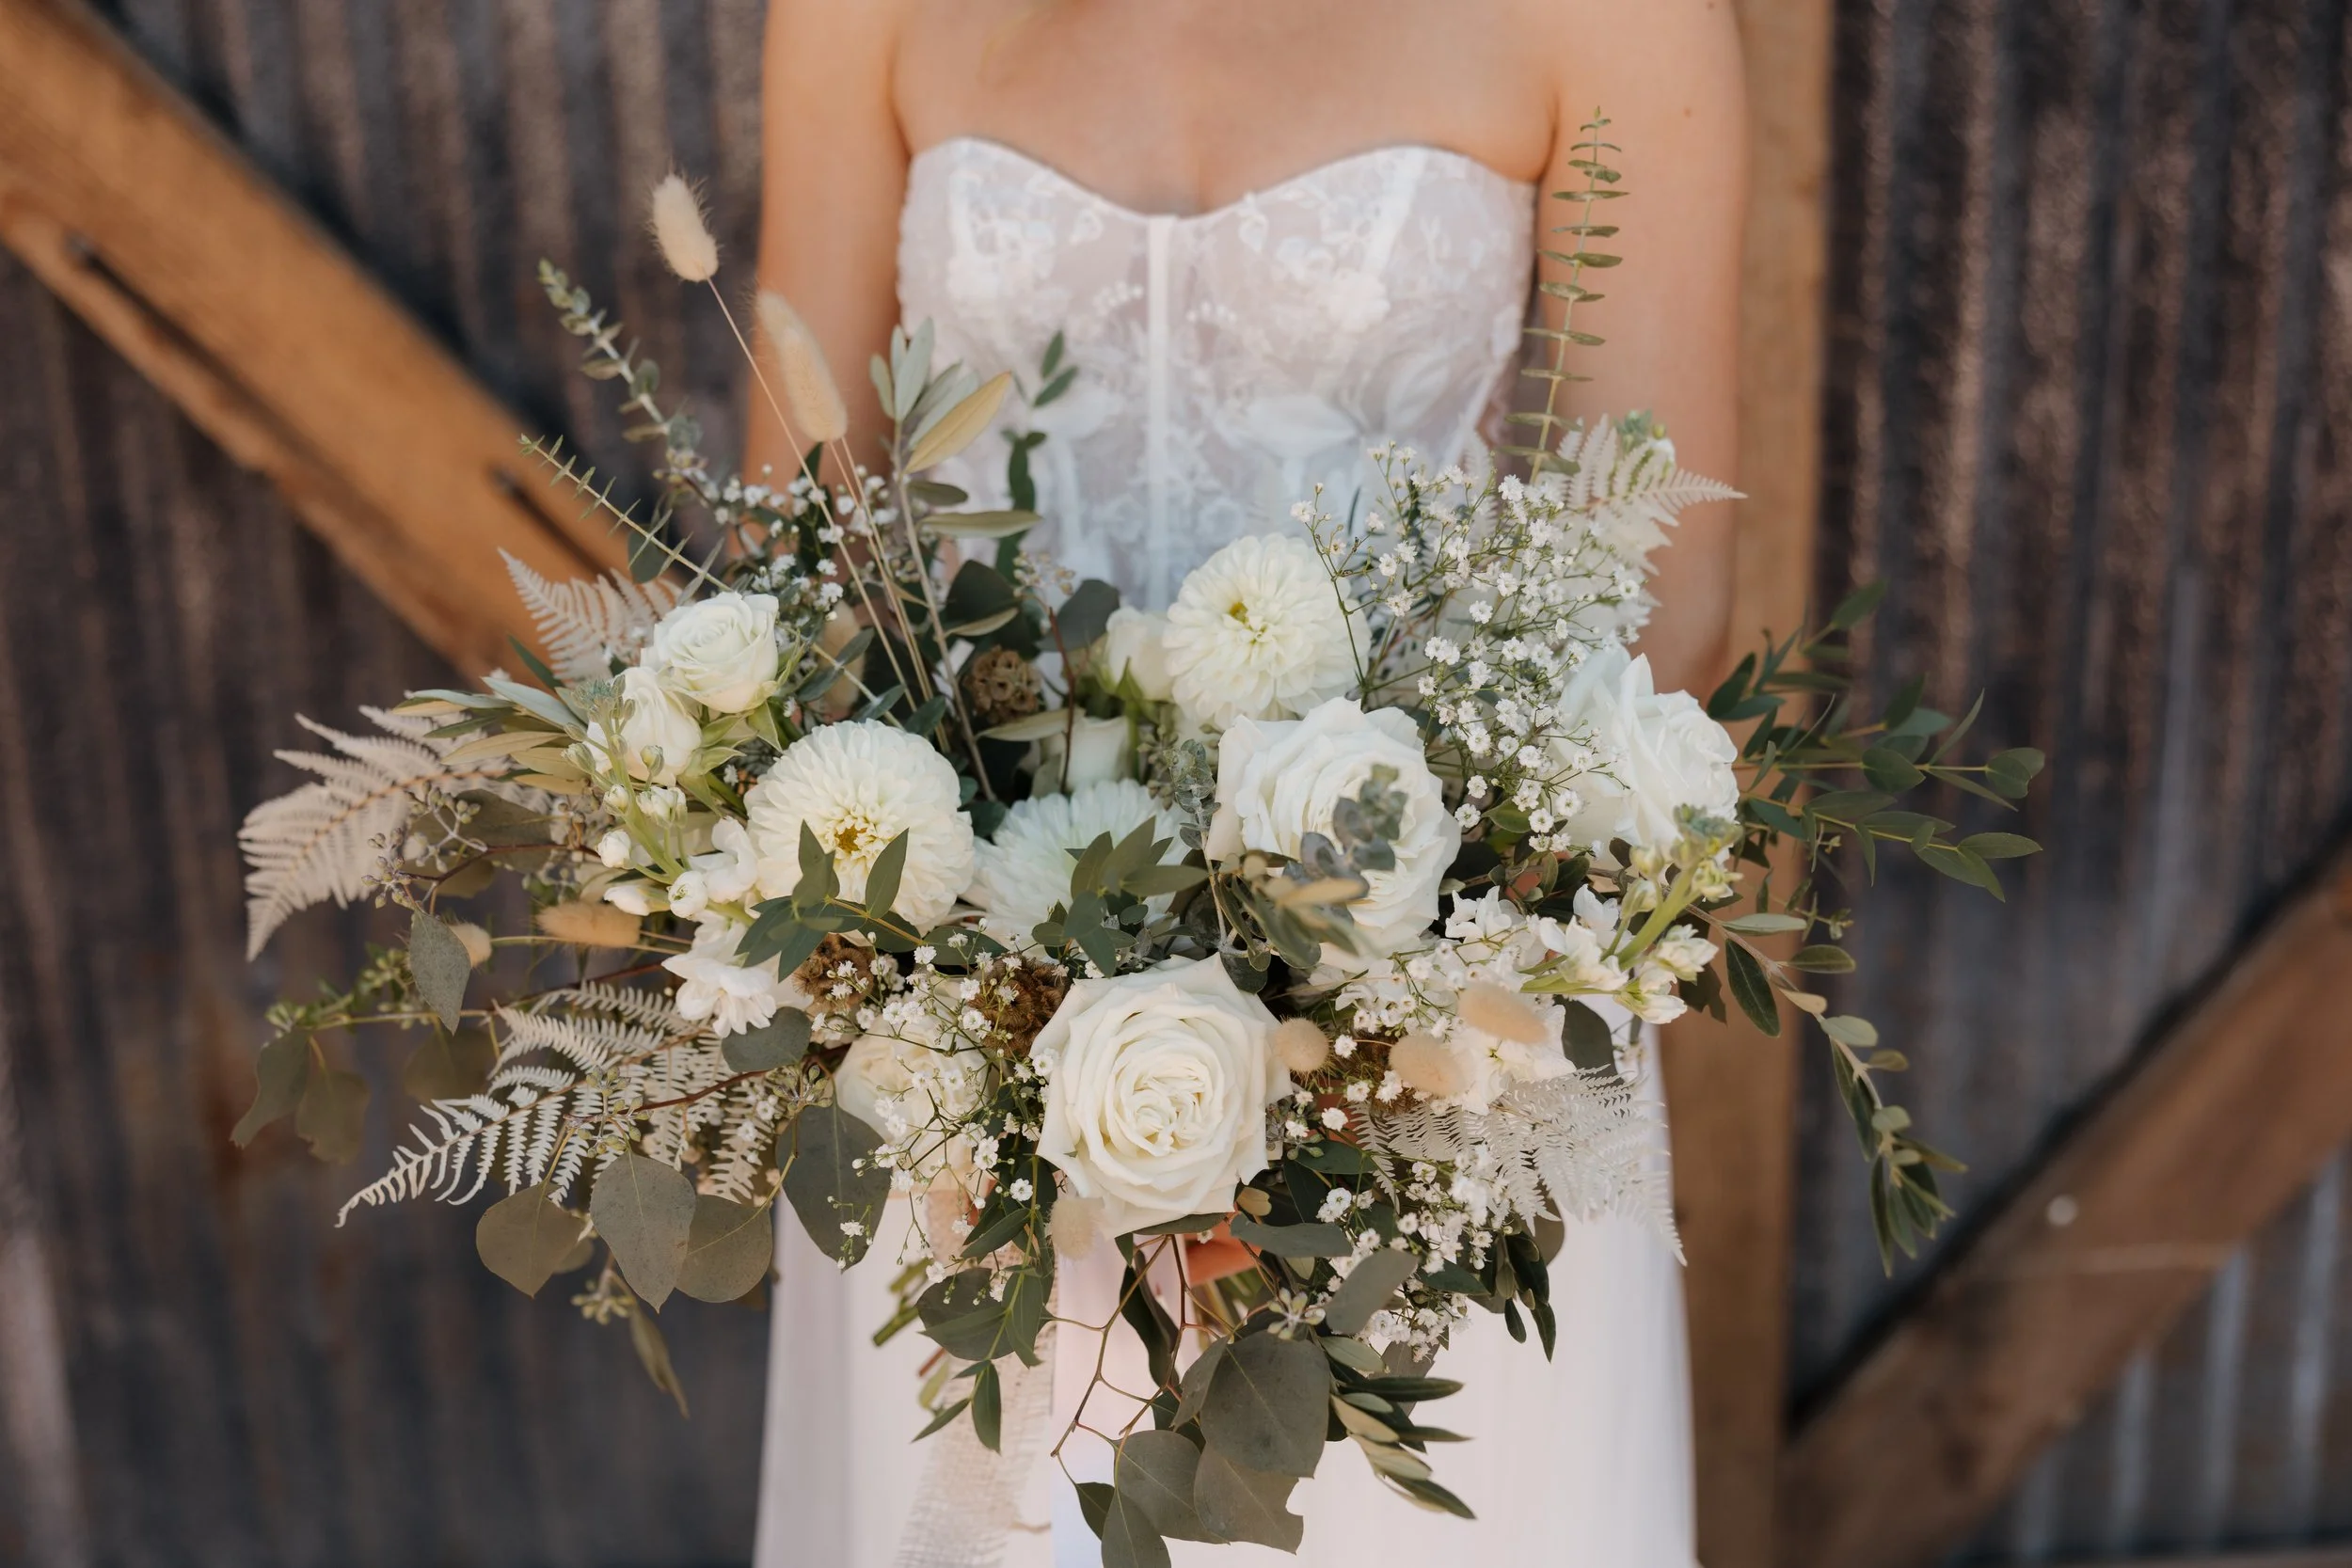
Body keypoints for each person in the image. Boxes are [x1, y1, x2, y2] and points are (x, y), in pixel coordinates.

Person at [747, 3, 1746, 1562]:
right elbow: (807, 554)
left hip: (1435, 1075)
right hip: (951, 1047)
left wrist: (1341, 1053)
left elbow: (1654, 606)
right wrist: (971, 1019)